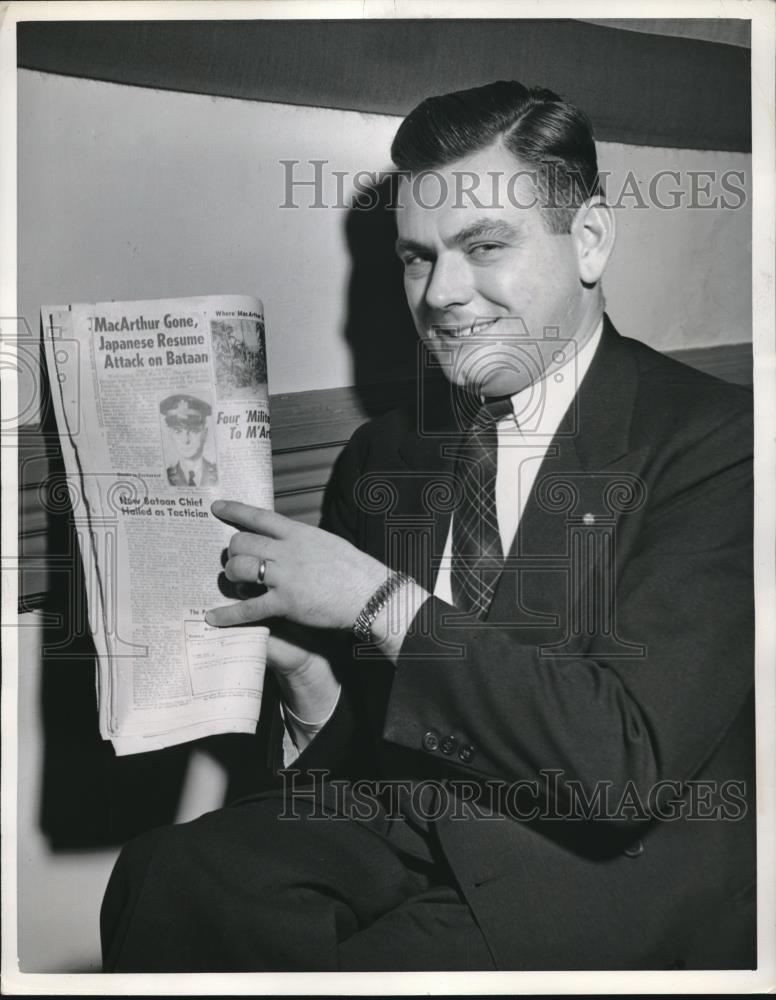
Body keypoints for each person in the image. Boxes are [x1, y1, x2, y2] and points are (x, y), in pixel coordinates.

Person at [102, 81, 755, 972]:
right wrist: (306, 685)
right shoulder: (382, 458)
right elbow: (363, 758)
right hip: (415, 824)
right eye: (416, 257)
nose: (442, 295)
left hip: (605, 863)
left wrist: (376, 602)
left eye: (484, 246)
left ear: (590, 239)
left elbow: (619, 766)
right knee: (169, 877)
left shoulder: (721, 443)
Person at [160, 393, 218, 488]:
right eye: (178, 431)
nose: (186, 440)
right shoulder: (166, 477)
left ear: (205, 433)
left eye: (194, 431)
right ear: (171, 435)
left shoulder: (218, 473)